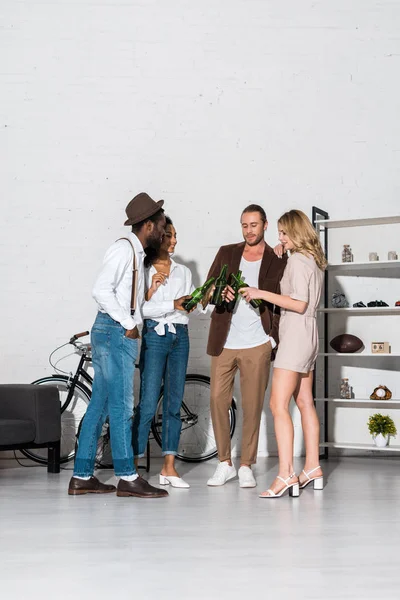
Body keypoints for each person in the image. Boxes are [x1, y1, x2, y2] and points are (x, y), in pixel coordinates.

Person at [68, 192, 169, 499]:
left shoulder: (136, 255)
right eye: (162, 223)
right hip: (114, 333)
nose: (164, 229)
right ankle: (127, 476)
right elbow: (101, 290)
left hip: (114, 332)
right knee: (123, 406)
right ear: (149, 225)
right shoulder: (123, 250)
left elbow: (131, 301)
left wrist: (136, 318)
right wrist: (127, 324)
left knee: (99, 405)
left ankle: (82, 476)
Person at [239, 209, 326, 498]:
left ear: (296, 233)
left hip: (296, 334)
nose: (280, 238)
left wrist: (259, 292)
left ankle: (286, 474)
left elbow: (298, 303)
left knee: (277, 405)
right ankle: (312, 467)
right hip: (310, 334)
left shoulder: (299, 262)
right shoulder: (310, 260)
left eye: (284, 233)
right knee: (304, 401)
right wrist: (284, 255)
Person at [205, 204, 287, 488]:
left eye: (254, 225)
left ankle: (246, 465)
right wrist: (220, 293)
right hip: (225, 341)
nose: (249, 230)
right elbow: (207, 291)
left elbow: (284, 299)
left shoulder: (278, 258)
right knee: (217, 399)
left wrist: (272, 338)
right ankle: (224, 463)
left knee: (253, 406)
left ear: (265, 225)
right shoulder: (227, 253)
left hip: (257, 343)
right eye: (244, 225)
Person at [132, 216, 193, 488]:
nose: (174, 240)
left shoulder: (184, 272)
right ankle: (131, 465)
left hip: (180, 336)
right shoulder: (142, 270)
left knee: (173, 402)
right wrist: (172, 303)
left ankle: (169, 468)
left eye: (176, 235)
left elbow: (188, 307)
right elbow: (138, 311)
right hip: (154, 336)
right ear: (158, 236)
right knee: (147, 404)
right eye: (169, 235)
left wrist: (200, 301)